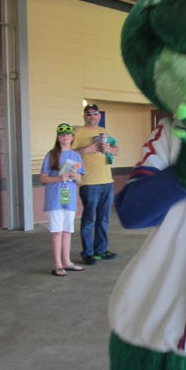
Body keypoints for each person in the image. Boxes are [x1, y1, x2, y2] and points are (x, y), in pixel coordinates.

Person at [72, 103, 119, 265]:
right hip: (89, 182)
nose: (92, 117)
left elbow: (116, 150)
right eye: (88, 114)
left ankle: (101, 250)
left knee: (104, 218)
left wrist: (109, 149)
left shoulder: (104, 131)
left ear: (99, 116)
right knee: (89, 219)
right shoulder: (78, 133)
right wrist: (88, 149)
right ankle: (88, 253)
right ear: (84, 116)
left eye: (95, 114)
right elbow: (68, 155)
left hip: (107, 181)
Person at [39, 123, 85, 276]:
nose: (65, 137)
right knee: (57, 231)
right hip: (54, 198)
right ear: (58, 138)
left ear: (72, 137)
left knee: (67, 231)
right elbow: (43, 177)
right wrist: (58, 178)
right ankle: (58, 264)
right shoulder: (51, 155)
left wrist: (75, 176)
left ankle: (67, 262)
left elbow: (80, 180)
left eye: (68, 134)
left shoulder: (76, 156)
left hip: (69, 198)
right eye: (61, 134)